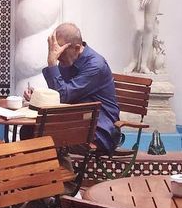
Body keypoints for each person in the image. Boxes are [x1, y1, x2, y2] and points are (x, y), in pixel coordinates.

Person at [24, 22, 120, 153]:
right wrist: (37, 97)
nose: (57, 56)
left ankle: (59, 172)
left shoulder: (95, 66)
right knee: (28, 130)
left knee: (44, 137)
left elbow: (63, 96)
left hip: (97, 130)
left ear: (77, 47)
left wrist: (51, 63)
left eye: (60, 52)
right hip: (74, 122)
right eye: (55, 51)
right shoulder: (68, 60)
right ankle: (47, 172)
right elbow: (60, 93)